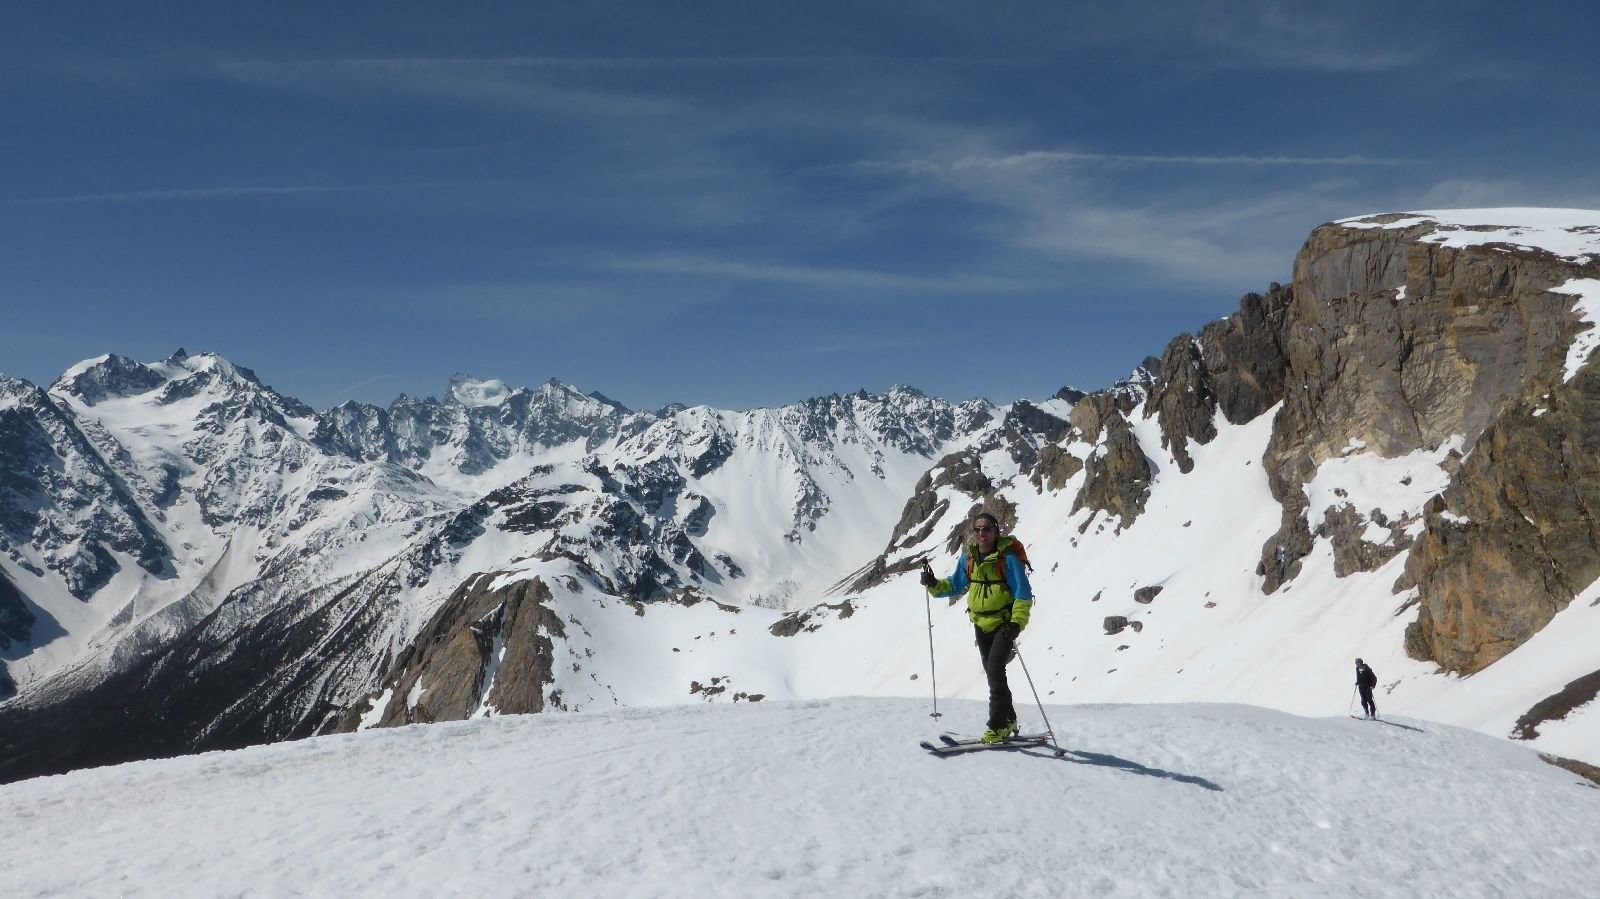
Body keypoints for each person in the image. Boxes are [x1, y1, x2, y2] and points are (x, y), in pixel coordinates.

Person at [921, 512, 1034, 743]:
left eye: (987, 529)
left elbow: (1023, 595)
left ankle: (997, 725)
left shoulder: (1008, 560)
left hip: (1003, 624)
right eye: (977, 529)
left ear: (996, 532)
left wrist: (1016, 624)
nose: (981, 534)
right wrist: (933, 585)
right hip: (980, 624)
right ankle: (1009, 718)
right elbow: (955, 585)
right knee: (994, 673)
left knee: (994, 670)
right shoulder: (968, 559)